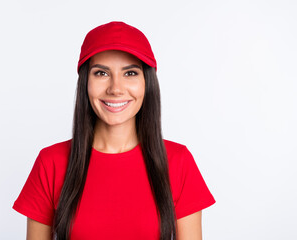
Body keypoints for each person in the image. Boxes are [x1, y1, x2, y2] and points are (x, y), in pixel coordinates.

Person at [13, 21, 216, 240]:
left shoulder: (178, 162)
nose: (115, 88)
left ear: (147, 83)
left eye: (130, 73)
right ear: (85, 83)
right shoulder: (51, 163)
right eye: (101, 73)